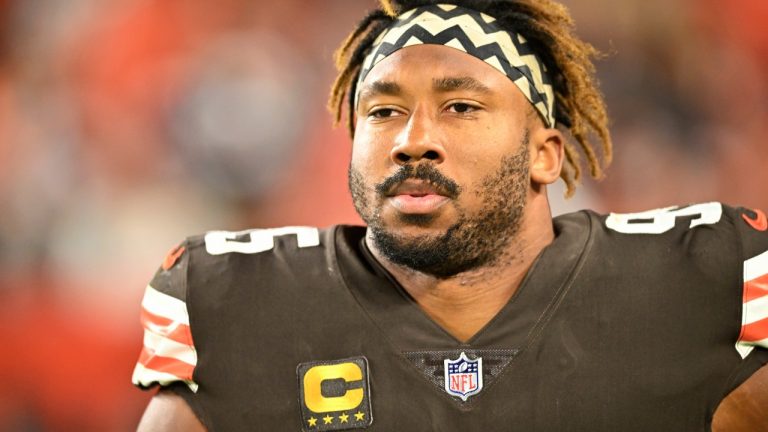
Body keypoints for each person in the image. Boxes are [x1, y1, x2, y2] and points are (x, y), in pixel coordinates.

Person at [132, 1, 768, 430]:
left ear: (545, 155)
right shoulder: (236, 305)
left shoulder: (698, 284)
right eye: (383, 112)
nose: (413, 140)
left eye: (460, 107)